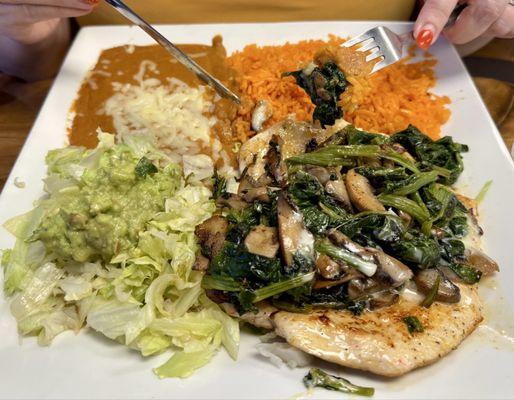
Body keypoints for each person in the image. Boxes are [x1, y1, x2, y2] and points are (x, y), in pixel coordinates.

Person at [0, 0, 513, 81]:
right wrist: (23, 30)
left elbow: (461, 31)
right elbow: (37, 64)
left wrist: (480, 20)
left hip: (414, 80)